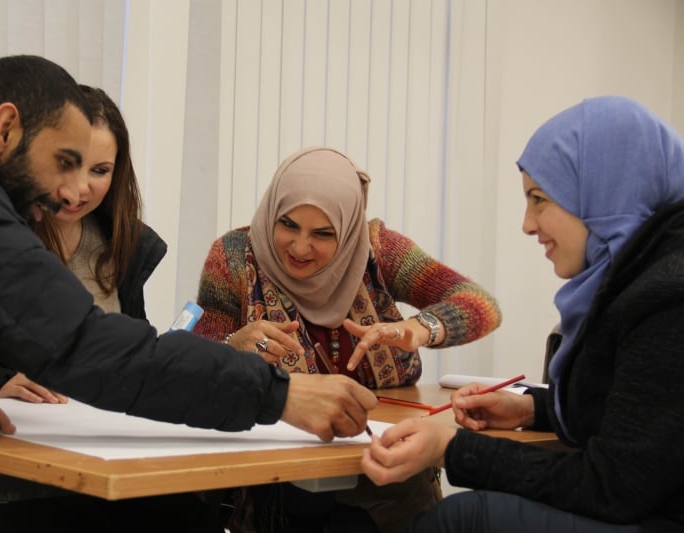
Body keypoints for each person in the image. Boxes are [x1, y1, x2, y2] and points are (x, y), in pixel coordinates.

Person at [0, 55, 378, 532]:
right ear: (6, 128)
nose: (67, 191)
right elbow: (83, 345)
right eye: (63, 162)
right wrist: (278, 393)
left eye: (95, 170)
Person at [360, 96, 684, 532]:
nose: (527, 224)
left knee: (465, 518)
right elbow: (647, 417)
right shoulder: (646, 273)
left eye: (540, 200)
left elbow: (614, 485)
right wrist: (531, 410)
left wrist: (453, 448)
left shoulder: (668, 296)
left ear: (604, 194)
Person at [193, 146, 502, 532]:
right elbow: (195, 366)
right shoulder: (235, 258)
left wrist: (419, 330)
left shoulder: (377, 249)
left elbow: (480, 304)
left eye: (323, 234)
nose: (300, 247)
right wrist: (232, 348)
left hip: (385, 471)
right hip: (280, 481)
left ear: (350, 227)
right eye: (287, 225)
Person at [0, 84, 168, 403]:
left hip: (97, 434)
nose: (79, 189)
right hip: (5, 437)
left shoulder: (127, 244)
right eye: (67, 164)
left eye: (99, 170)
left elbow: (131, 357)